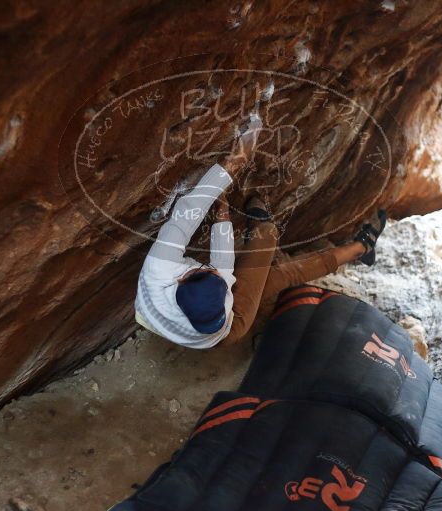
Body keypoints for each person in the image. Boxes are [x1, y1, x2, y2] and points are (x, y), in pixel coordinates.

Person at [134, 126, 386, 349]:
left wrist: (232, 165)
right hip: (230, 330)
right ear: (183, 278)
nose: (219, 274)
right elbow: (222, 264)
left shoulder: (159, 267)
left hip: (172, 319)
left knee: (279, 273)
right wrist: (223, 213)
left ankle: (360, 248)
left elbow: (189, 209)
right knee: (269, 243)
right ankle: (360, 248)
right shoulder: (215, 301)